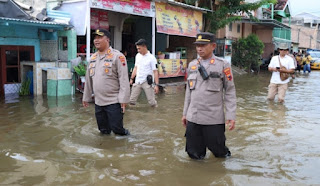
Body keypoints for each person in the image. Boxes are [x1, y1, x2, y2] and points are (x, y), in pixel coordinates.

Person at [181, 32, 237, 160]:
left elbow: (229, 91)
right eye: (197, 45)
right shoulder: (192, 65)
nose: (199, 48)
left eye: (203, 45)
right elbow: (189, 91)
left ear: (213, 46)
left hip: (213, 118)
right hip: (193, 117)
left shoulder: (222, 65)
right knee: (193, 154)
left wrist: (231, 115)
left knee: (219, 153)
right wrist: (185, 113)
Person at [82, 29, 130, 136]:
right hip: (98, 102)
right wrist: (86, 97)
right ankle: (106, 149)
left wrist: (123, 100)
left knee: (117, 129)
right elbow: (89, 79)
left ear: (107, 39)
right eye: (95, 38)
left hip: (114, 101)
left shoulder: (117, 56)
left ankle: (127, 142)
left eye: (99, 37)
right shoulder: (93, 58)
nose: (96, 40)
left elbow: (123, 80)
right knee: (103, 130)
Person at [129, 39, 159, 107]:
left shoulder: (151, 58)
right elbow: (135, 68)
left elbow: (155, 71)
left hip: (147, 82)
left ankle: (154, 114)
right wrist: (131, 78)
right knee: (131, 101)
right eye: (137, 49)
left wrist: (156, 85)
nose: (138, 50)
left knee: (152, 102)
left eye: (139, 48)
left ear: (144, 47)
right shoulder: (138, 56)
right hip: (138, 80)